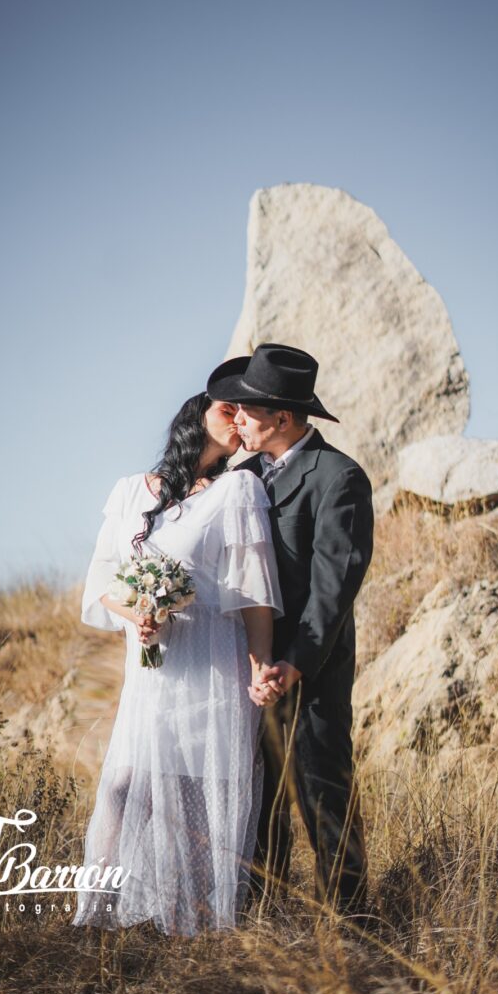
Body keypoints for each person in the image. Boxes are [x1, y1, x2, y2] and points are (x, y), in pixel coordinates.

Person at [71, 393, 283, 937]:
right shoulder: (128, 492)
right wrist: (137, 614)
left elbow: (253, 593)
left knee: (194, 796)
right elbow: (102, 582)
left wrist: (260, 667)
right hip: (151, 667)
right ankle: (97, 918)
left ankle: (190, 928)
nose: (238, 421)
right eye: (227, 410)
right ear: (195, 417)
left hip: (212, 663)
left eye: (245, 414)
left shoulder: (238, 490)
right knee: (122, 785)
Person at [206, 343, 374, 919]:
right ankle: (264, 922)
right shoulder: (240, 476)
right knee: (259, 800)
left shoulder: (339, 478)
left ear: (281, 418)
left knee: (324, 792)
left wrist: (293, 663)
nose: (238, 419)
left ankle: (353, 928)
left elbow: (334, 589)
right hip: (244, 669)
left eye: (248, 411)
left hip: (313, 670)